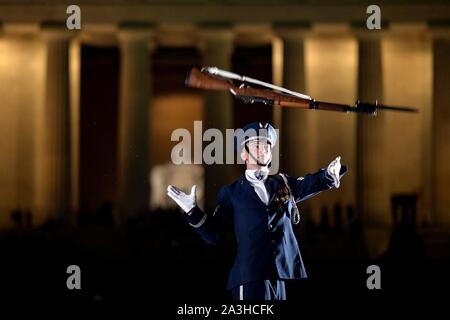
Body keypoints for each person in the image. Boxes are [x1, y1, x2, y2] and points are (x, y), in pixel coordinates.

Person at [167, 122, 347, 300]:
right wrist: (192, 211)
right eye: (257, 145)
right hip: (251, 277)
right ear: (244, 154)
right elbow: (215, 235)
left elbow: (309, 183)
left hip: (282, 275)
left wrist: (329, 175)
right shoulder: (232, 192)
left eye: (267, 145)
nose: (264, 149)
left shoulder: (282, 183)